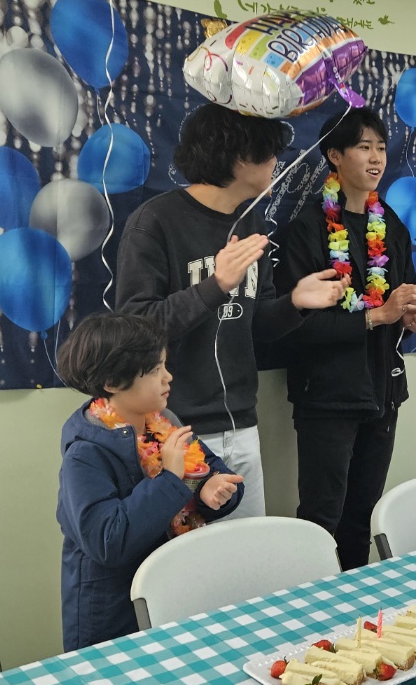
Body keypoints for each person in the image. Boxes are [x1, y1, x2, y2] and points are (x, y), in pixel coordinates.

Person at [115, 104, 345, 519]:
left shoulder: (252, 222)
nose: (277, 165)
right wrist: (215, 285)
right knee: (185, 554)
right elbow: (134, 330)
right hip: (172, 430)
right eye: (270, 154)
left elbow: (257, 326)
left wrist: (294, 303)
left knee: (246, 553)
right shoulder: (155, 222)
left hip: (242, 425)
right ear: (239, 157)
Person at [277, 109, 416, 569]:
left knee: (362, 516)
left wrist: (411, 317)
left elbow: (400, 301)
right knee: (320, 519)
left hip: (382, 393)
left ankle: (357, 605)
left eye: (381, 148)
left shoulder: (390, 225)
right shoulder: (308, 229)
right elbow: (296, 327)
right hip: (327, 398)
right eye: (364, 147)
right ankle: (314, 607)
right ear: (334, 155)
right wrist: (376, 316)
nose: (376, 158)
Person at [55, 313, 244, 652]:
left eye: (164, 366)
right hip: (113, 616)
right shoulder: (86, 453)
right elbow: (108, 541)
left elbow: (217, 475)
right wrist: (170, 478)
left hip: (174, 592)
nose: (168, 377)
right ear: (112, 382)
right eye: (155, 370)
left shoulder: (164, 422)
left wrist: (210, 491)